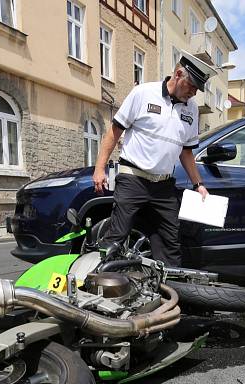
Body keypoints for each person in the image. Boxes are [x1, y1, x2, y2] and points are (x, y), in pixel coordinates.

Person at [91, 51, 217, 267]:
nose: (194, 93)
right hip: (133, 179)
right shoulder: (143, 93)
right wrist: (99, 169)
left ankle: (170, 295)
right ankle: (101, 285)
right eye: (192, 86)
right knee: (117, 237)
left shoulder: (192, 109)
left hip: (164, 186)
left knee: (170, 243)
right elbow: (113, 133)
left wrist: (199, 185)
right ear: (178, 74)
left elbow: (186, 152)